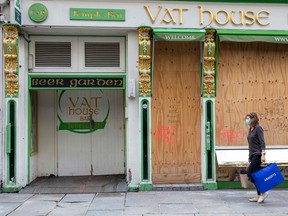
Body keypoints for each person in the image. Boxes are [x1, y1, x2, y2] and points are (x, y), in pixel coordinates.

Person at [245, 112, 268, 203]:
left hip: (258, 154)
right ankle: (259, 195)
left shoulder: (258, 128)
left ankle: (263, 192)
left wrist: (263, 154)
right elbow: (250, 145)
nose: (247, 120)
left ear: (253, 119)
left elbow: (262, 142)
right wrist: (249, 157)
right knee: (256, 175)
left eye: (248, 118)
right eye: (246, 119)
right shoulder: (251, 129)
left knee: (249, 173)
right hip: (252, 155)